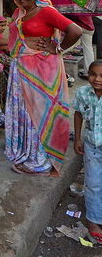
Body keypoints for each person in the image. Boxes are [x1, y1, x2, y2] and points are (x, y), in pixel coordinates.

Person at [5, 0, 82, 176]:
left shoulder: (46, 12)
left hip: (42, 69)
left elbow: (75, 31)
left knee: (41, 110)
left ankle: (40, 157)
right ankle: (25, 149)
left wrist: (57, 48)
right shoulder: (19, 14)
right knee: (25, 111)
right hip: (21, 69)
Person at [73, 60, 102, 243]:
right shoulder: (83, 93)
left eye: (101, 76)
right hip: (92, 144)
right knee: (93, 182)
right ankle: (94, 220)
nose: (97, 79)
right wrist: (77, 138)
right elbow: (78, 114)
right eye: (93, 74)